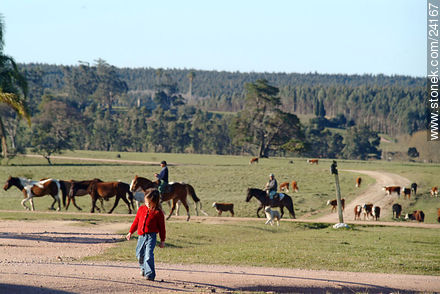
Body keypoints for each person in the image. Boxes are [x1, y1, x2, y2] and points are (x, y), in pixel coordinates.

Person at [126, 188, 166, 281]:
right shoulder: (141, 209)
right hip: (141, 236)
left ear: (155, 202)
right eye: (146, 201)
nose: (147, 204)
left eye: (150, 202)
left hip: (151, 237)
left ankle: (150, 274)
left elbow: (162, 228)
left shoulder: (158, 213)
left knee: (148, 255)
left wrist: (162, 240)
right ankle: (143, 268)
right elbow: (136, 222)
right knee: (139, 254)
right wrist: (130, 232)